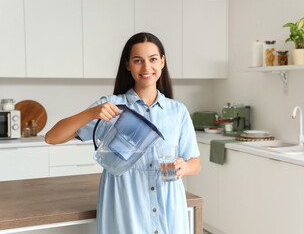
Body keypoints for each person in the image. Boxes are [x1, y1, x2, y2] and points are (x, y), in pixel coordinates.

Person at [45, 32, 201, 234]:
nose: (146, 67)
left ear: (162, 62)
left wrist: (183, 167)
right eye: (138, 60)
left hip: (168, 204)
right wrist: (92, 113)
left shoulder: (177, 111)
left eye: (153, 59)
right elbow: (52, 137)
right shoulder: (110, 107)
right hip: (125, 204)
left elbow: (195, 163)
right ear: (128, 64)